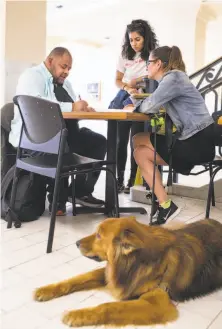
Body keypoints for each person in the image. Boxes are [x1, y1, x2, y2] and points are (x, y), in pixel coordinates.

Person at [9, 47, 106, 215]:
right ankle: (57, 199)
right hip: (37, 138)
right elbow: (39, 107)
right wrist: (72, 107)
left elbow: (71, 111)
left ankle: (79, 191)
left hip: (65, 133)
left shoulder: (65, 84)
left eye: (69, 68)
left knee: (98, 141)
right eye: (63, 66)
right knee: (63, 143)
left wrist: (82, 109)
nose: (66, 72)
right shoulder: (32, 76)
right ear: (50, 61)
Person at [132, 45, 215, 225]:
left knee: (138, 140)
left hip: (197, 143)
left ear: (159, 63)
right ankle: (164, 203)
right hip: (194, 141)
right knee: (139, 150)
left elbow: (149, 105)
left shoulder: (173, 78)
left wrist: (134, 104)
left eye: (149, 62)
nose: (147, 66)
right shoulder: (173, 79)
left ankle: (161, 198)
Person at [110, 19, 158, 194]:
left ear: (146, 38)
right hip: (125, 100)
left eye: (138, 39)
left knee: (135, 143)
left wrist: (135, 81)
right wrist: (127, 86)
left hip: (142, 104)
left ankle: (132, 180)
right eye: (131, 40)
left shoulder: (153, 55)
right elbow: (117, 80)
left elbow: (154, 78)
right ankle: (119, 180)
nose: (134, 43)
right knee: (120, 141)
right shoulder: (124, 55)